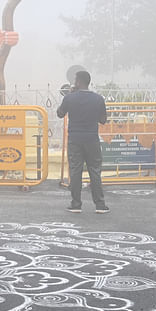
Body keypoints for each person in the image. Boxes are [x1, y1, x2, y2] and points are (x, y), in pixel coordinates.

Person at [56, 70, 109, 213]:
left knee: (75, 171)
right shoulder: (98, 99)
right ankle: (100, 205)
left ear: (78, 82)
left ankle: (76, 204)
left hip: (75, 140)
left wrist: (70, 94)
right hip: (92, 139)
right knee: (95, 171)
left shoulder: (70, 98)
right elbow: (103, 120)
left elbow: (60, 114)